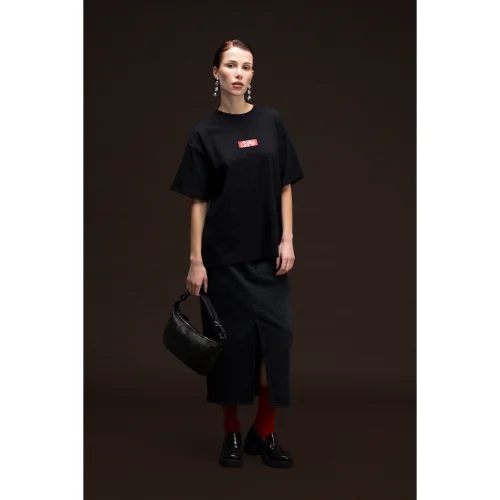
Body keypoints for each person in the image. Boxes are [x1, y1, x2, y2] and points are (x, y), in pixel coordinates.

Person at [170, 39, 304, 469]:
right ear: (216, 72)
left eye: (246, 66)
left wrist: (287, 238)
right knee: (230, 350)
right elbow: (198, 200)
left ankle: (263, 432)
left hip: (268, 258)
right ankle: (231, 431)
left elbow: (285, 184)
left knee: (276, 343)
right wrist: (196, 260)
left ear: (251, 75)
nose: (239, 73)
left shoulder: (271, 121)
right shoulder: (204, 133)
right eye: (231, 65)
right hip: (222, 262)